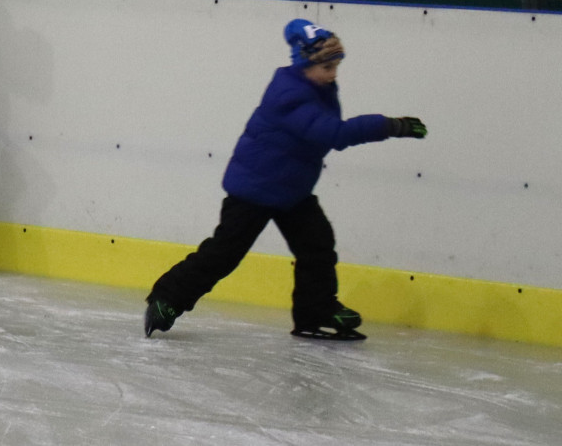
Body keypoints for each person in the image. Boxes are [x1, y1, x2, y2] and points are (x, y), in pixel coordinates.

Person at [144, 19, 427, 340]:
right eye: (327, 66)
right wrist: (391, 126)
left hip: (291, 190)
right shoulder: (290, 96)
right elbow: (334, 134)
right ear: (304, 63)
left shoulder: (318, 87)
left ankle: (315, 311)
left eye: (336, 65)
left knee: (317, 245)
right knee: (225, 253)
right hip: (255, 187)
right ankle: (167, 299)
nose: (333, 73)